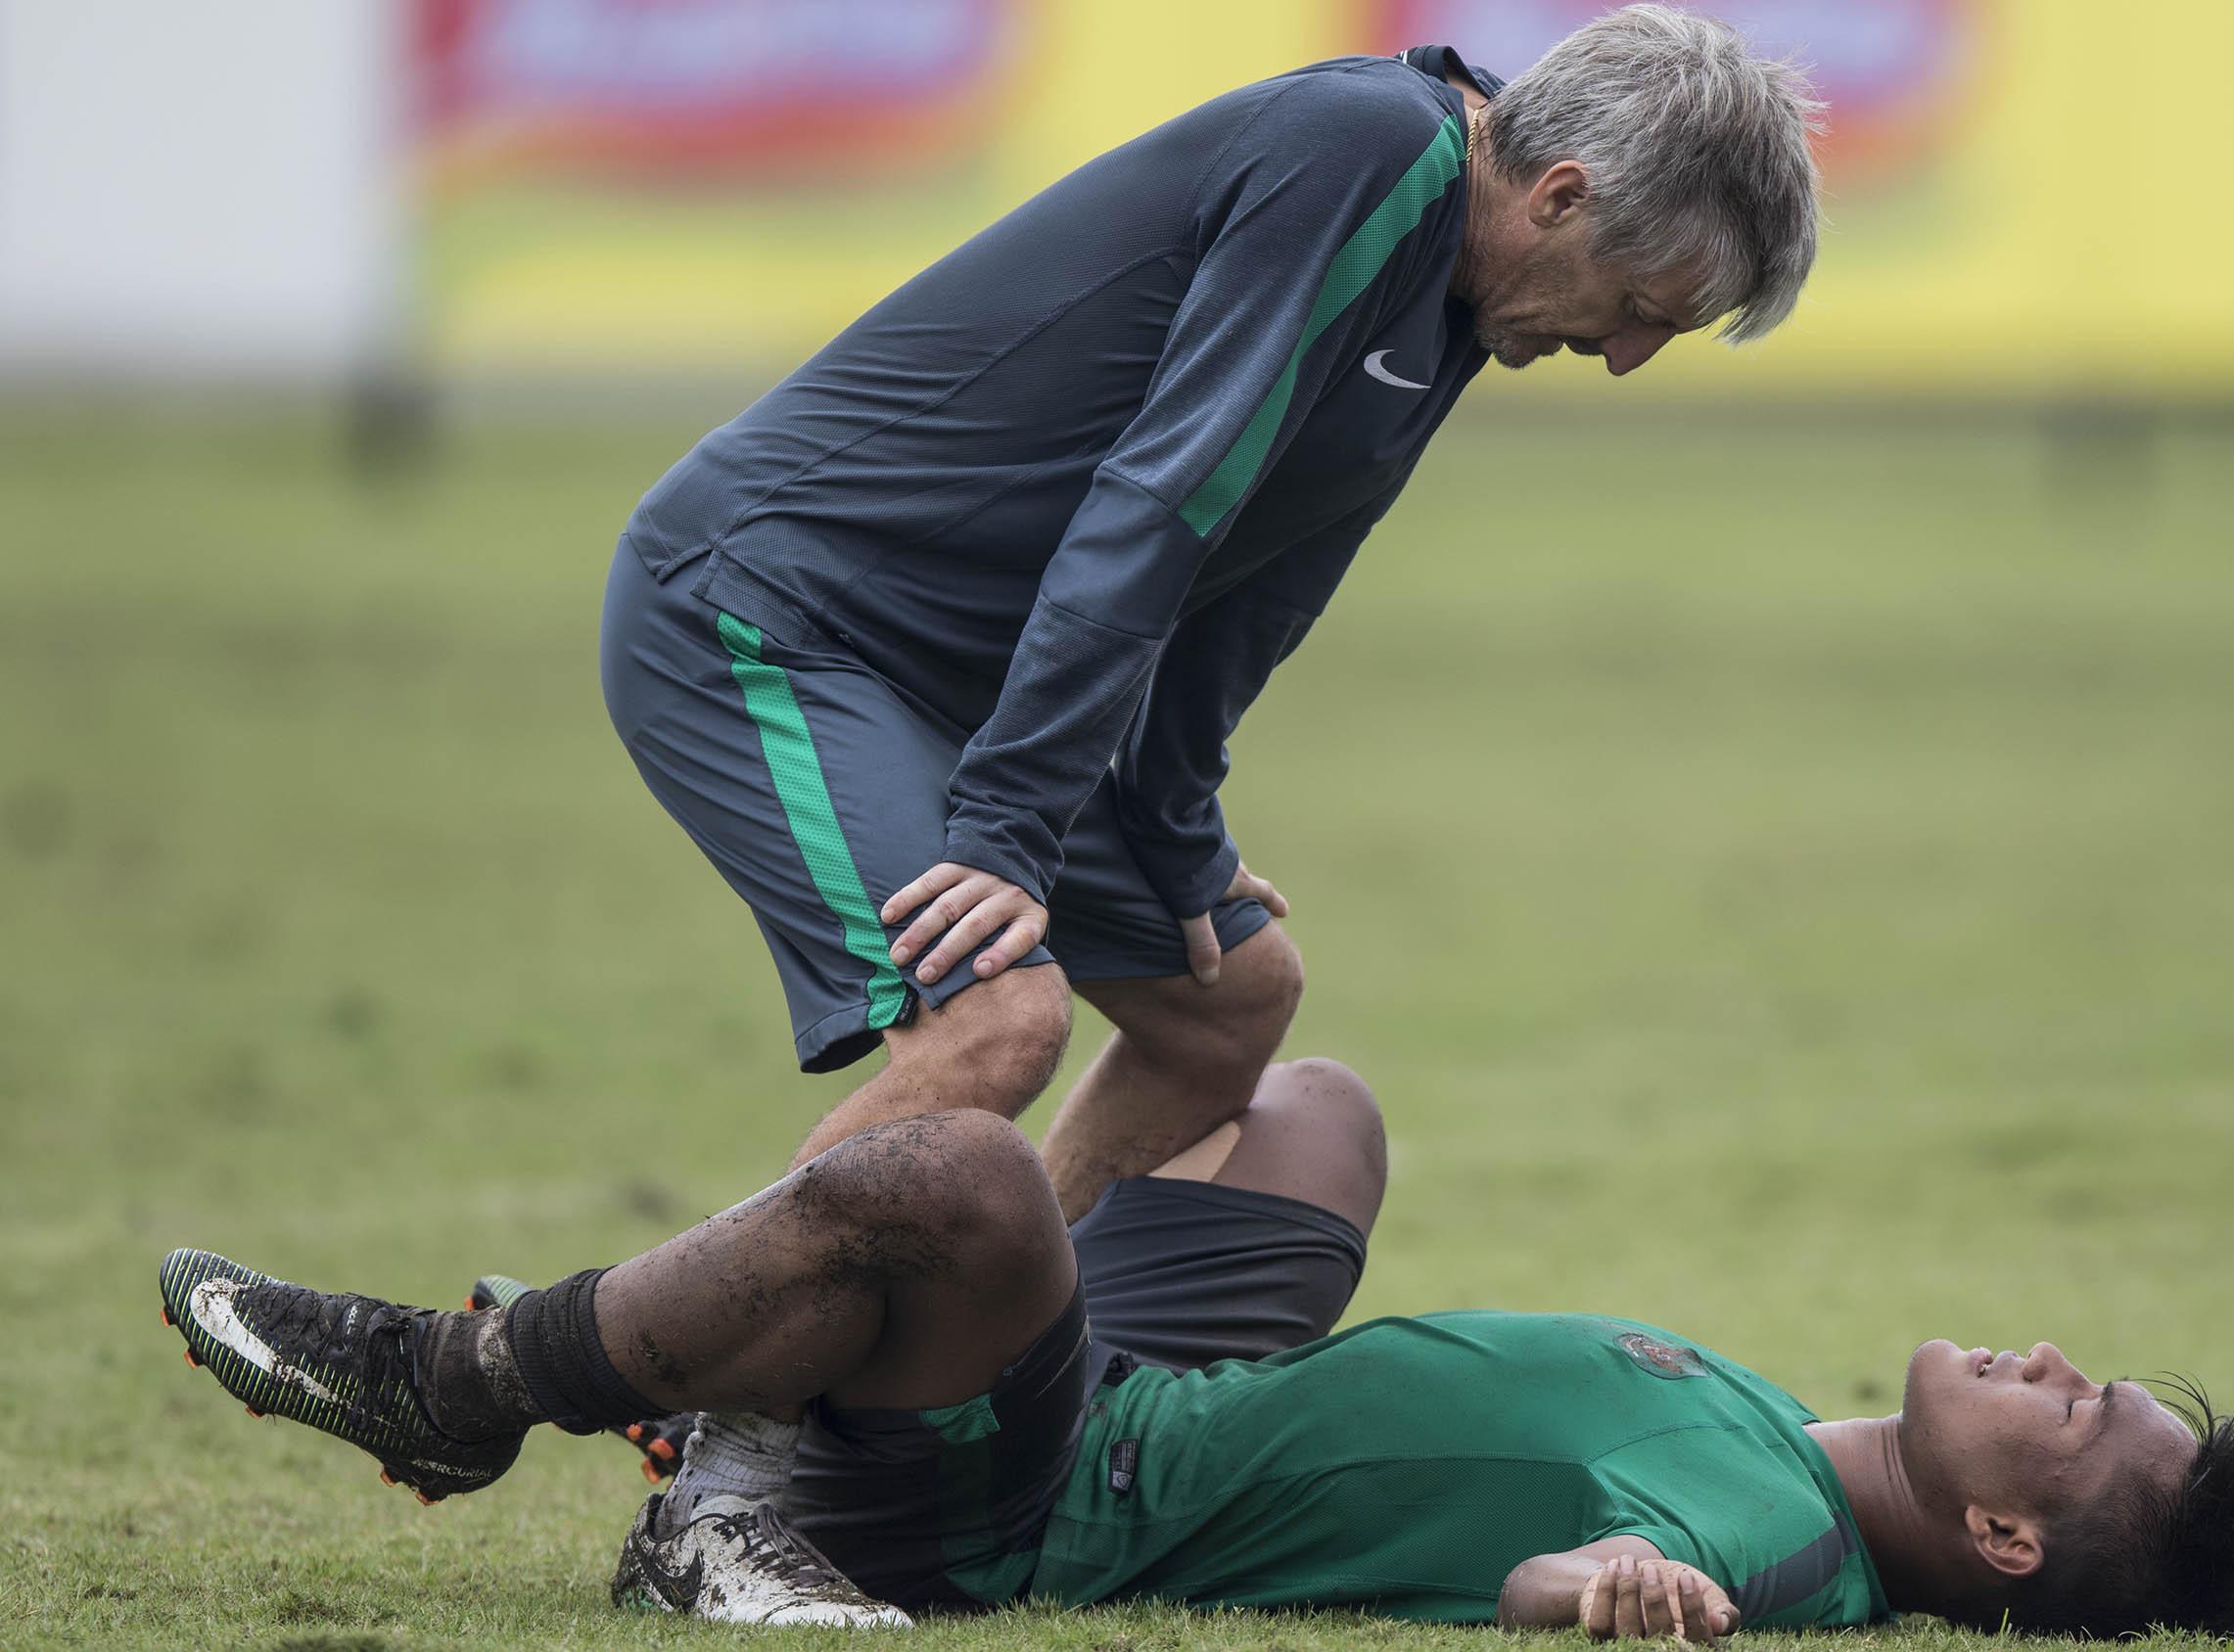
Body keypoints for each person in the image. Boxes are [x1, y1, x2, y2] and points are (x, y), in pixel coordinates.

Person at [595, 4, 1825, 1569]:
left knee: (1229, 997)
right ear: (1561, 194)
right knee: (995, 1017)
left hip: (975, 686)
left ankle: (1022, 1403)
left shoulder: (1464, 280)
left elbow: (1263, 569)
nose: (1630, 355)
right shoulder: (1363, 153)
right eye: (1642, 307)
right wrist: (1012, 834)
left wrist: (1172, 830)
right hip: (774, 615)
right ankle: (725, 1476)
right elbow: (1162, 499)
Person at [158, 1078, 2234, 1639]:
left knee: (965, 1180)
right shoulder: (1797, 1438)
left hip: (1064, 1499)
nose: (2054, 1357)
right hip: (1170, 1384)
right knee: (1303, 1102)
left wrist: (1604, 1594)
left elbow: (1579, 1587)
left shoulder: (1764, 1538)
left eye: (2076, 1407)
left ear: (2008, 1537)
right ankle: (776, 1407)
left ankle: (472, 1386)